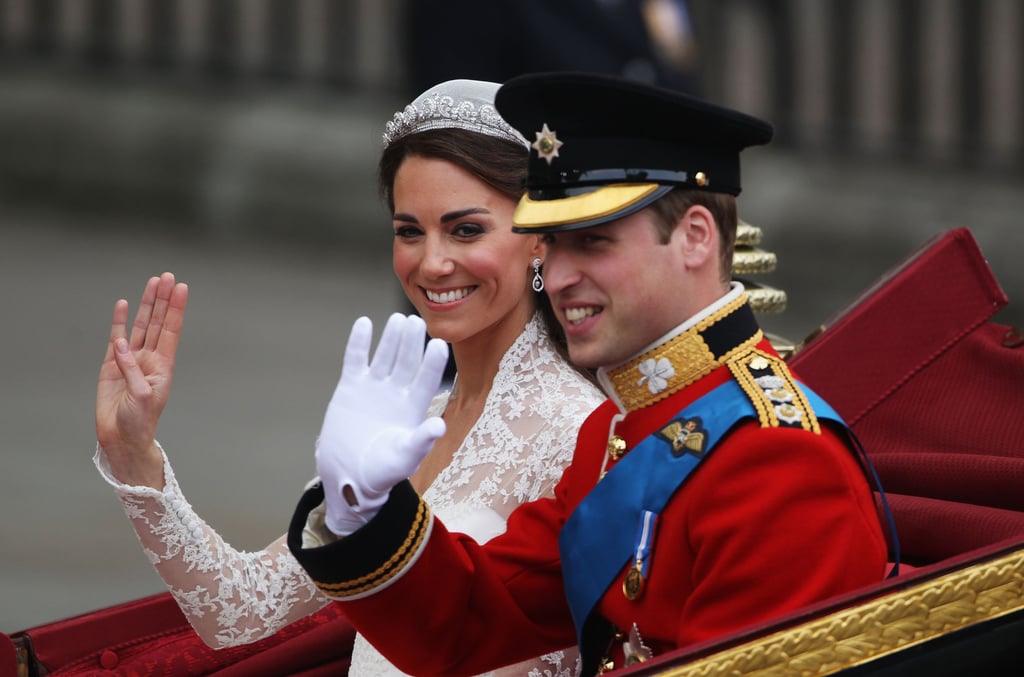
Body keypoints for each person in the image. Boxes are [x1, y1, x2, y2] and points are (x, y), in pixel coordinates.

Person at [286, 71, 891, 676]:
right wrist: (362, 512)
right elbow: (477, 615)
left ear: (695, 238)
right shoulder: (615, 425)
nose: (560, 274)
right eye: (552, 241)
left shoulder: (777, 457)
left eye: (594, 242)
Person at [94, 79, 606, 676]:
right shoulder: (415, 417)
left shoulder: (577, 428)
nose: (431, 262)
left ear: (540, 239)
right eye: (409, 230)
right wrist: (133, 456)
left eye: (466, 230)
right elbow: (242, 609)